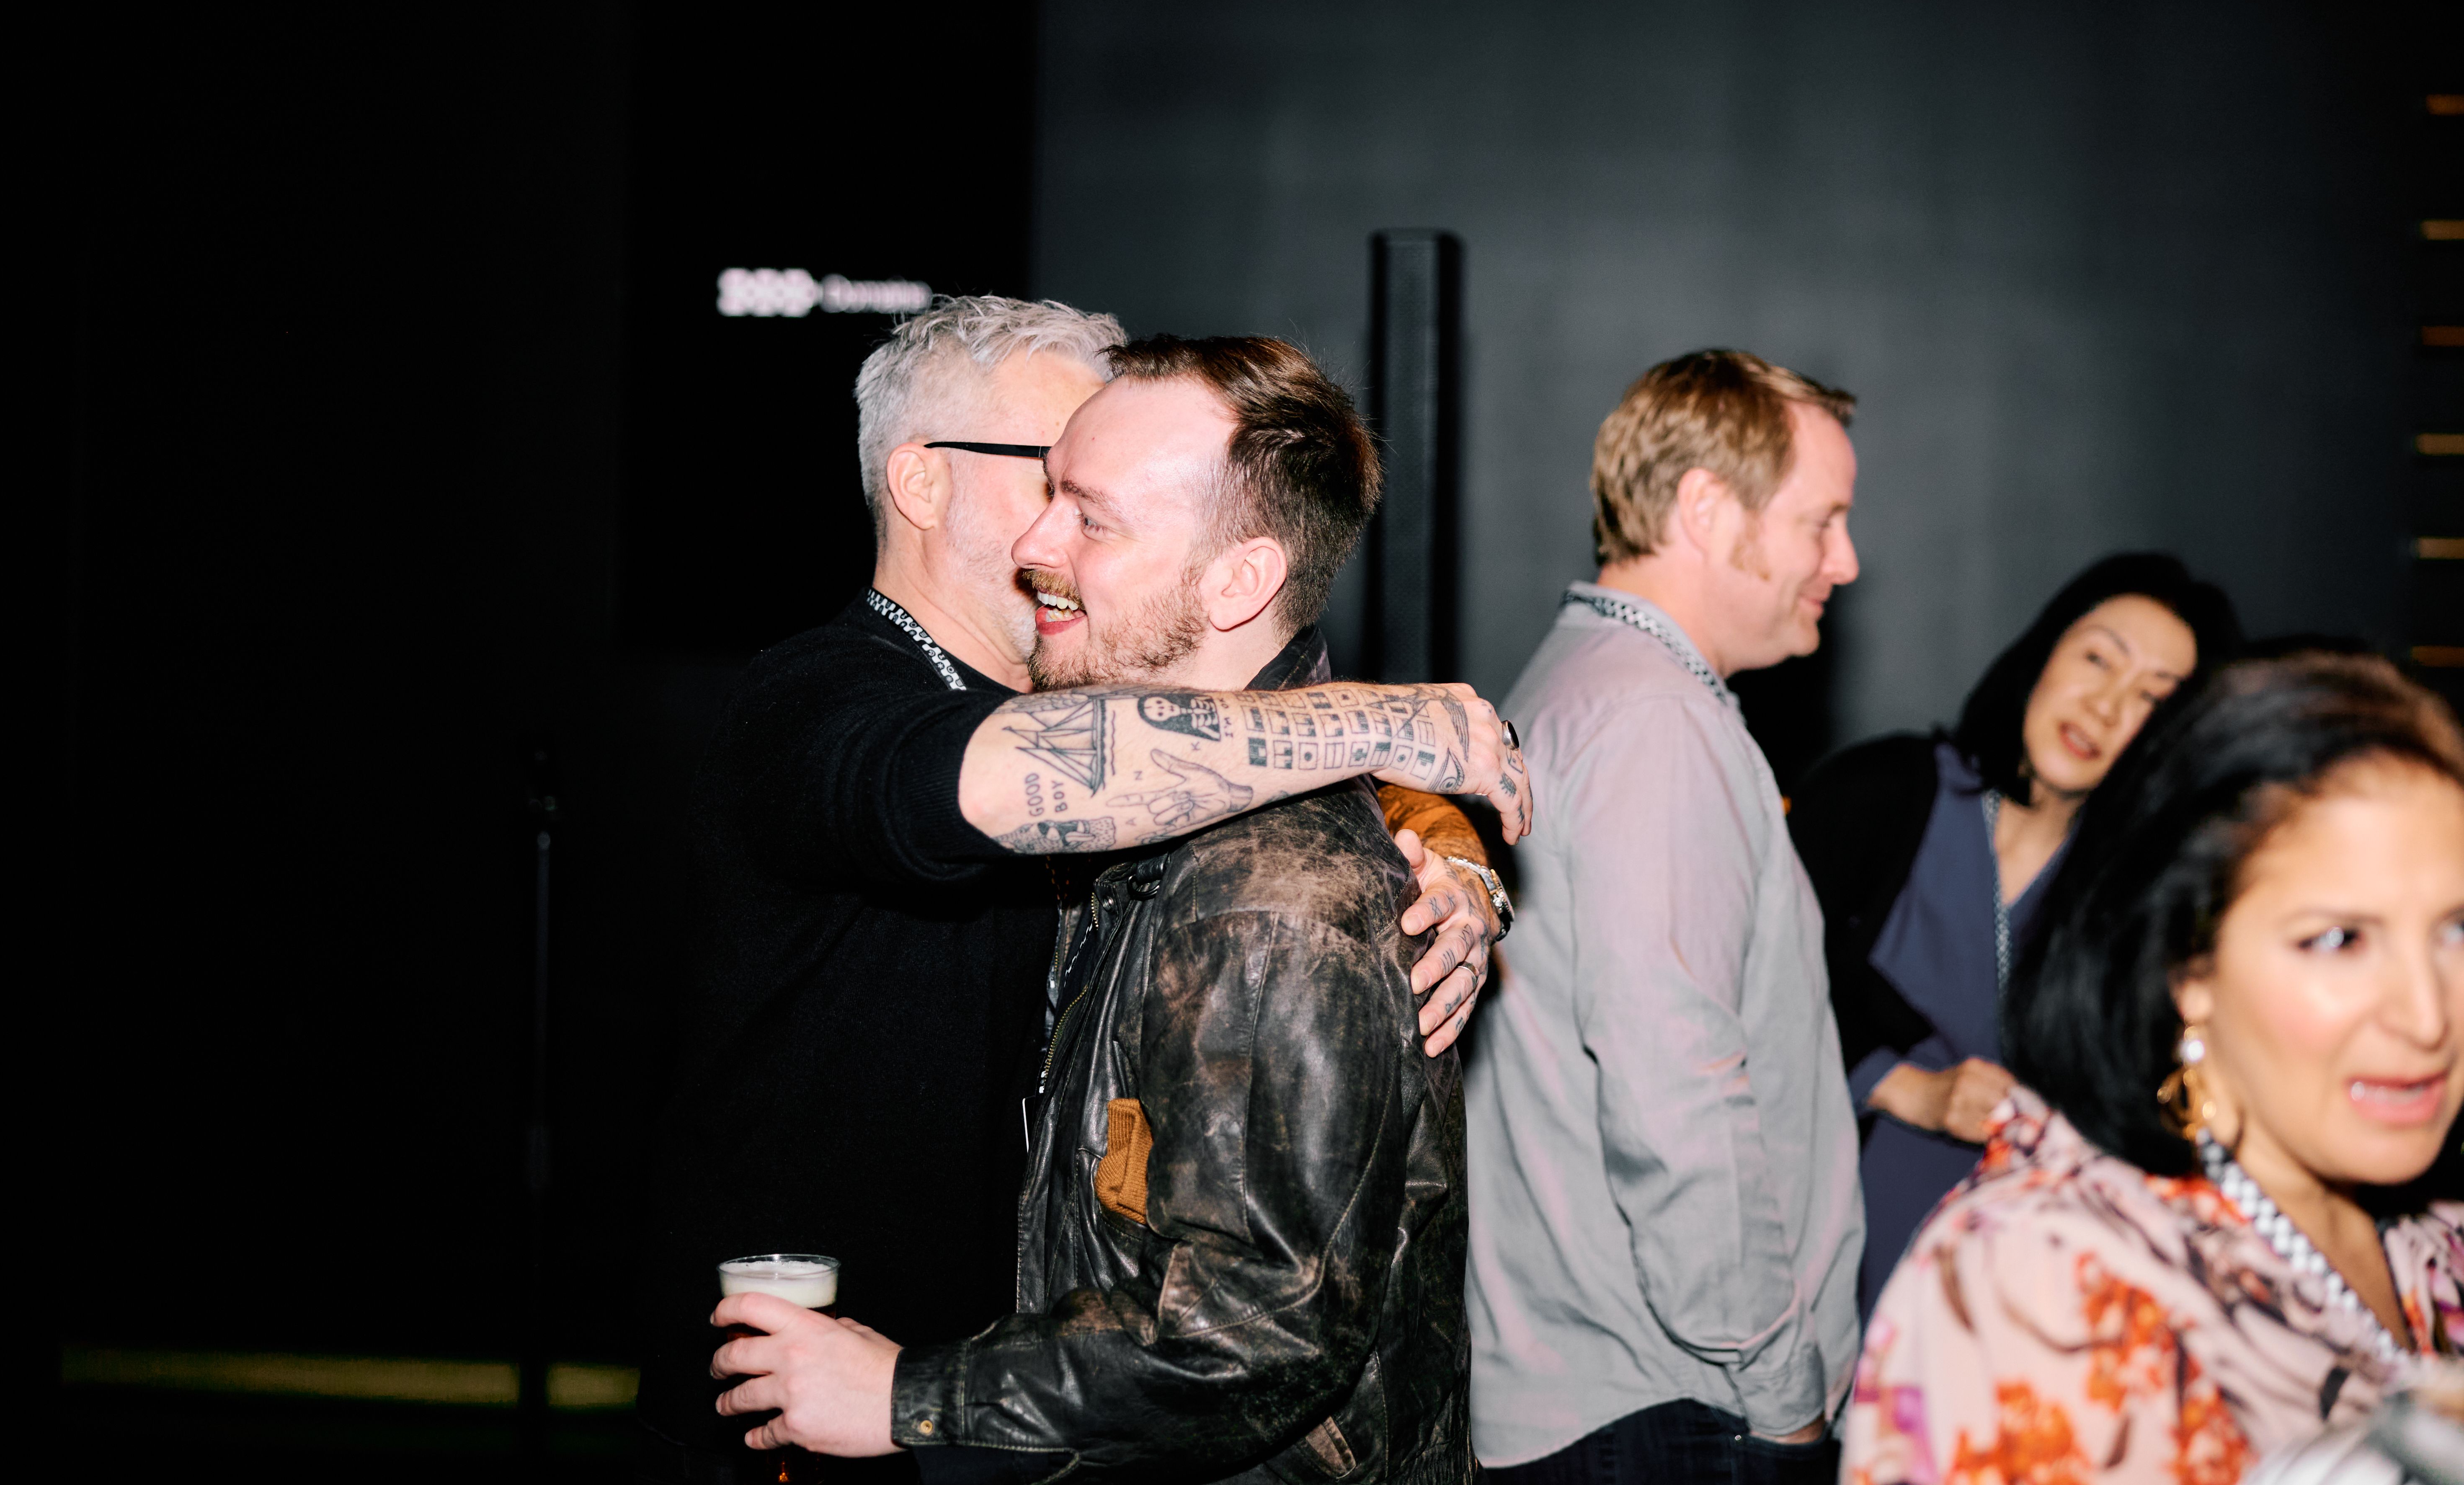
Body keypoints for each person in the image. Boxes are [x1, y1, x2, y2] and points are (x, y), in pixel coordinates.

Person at [635, 302, 1525, 1482]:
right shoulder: (813, 706)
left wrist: (1446, 850)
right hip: (803, 1424)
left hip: (992, 1418)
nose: (1057, 529)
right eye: (1052, 472)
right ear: (921, 482)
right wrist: (1395, 726)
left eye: (1096, 499)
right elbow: (1033, 772)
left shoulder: (1213, 815)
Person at [1843, 653, 2464, 1485]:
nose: (2425, 1015)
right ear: (2188, 966)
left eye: (2456, 930)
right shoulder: (2049, 1282)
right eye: (2337, 939)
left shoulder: (2434, 1231)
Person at [1465, 349, 1866, 1484]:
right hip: (1668, 1408)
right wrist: (1782, 1392)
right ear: (1704, 507)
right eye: (1820, 521)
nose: (1844, 560)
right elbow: (1672, 1087)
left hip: (1613, 1399)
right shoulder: (1654, 722)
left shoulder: (1583, 681)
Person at [1790, 552, 2242, 1313]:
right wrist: (1905, 1088)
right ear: (2044, 650)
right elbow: (1752, 981)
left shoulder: (2138, 908)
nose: (2105, 705)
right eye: (2098, 658)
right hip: (1811, 1278)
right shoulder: (1879, 792)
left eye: (2151, 701)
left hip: (2010, 1307)